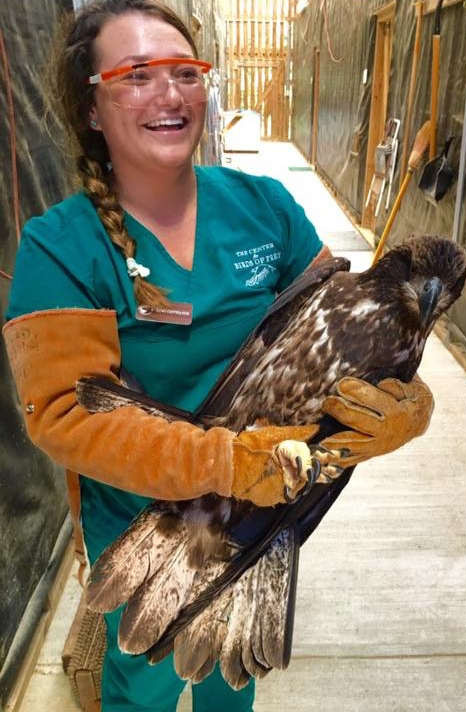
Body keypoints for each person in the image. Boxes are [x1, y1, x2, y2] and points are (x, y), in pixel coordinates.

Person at [2, 1, 434, 710]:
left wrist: (406, 401)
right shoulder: (60, 246)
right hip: (146, 516)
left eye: (185, 72)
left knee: (229, 685)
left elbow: (340, 324)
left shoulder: (265, 207)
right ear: (91, 108)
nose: (170, 94)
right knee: (144, 682)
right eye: (137, 76)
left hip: (263, 510)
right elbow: (64, 417)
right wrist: (229, 463)